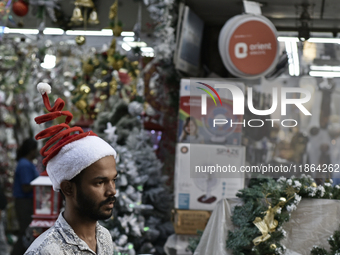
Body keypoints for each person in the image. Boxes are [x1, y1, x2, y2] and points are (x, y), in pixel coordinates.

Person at [24, 83, 117, 255]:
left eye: (114, 180)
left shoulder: (104, 237)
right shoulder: (47, 251)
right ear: (68, 188)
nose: (112, 191)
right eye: (99, 182)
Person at [12, 138, 39, 255]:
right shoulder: (24, 165)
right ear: (31, 151)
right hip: (24, 202)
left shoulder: (27, 164)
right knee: (25, 231)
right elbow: (26, 186)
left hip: (27, 201)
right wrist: (39, 186)